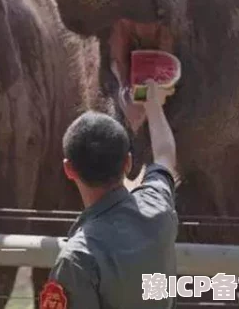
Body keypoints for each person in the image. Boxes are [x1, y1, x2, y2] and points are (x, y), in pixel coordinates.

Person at [39, 80, 179, 309]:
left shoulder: (77, 258)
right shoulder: (159, 210)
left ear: (69, 169)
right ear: (128, 163)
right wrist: (153, 104)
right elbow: (165, 155)